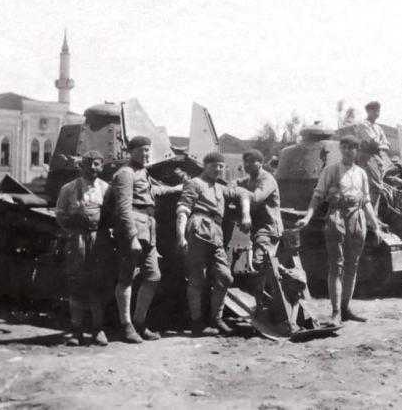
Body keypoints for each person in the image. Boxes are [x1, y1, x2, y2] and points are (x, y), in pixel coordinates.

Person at [295, 135, 381, 326]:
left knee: (353, 266)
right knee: (336, 266)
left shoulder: (361, 173)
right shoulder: (331, 170)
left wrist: (375, 226)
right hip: (337, 217)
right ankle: (335, 312)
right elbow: (317, 196)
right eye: (345, 147)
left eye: (352, 147)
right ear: (340, 149)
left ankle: (346, 308)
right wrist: (308, 217)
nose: (348, 151)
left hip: (357, 218)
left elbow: (366, 201)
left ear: (357, 151)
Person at [106, 135, 182, 343]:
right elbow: (123, 208)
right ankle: (126, 326)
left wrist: (175, 189)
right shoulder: (125, 173)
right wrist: (131, 237)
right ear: (131, 151)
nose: (146, 154)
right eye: (141, 150)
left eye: (148, 150)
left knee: (153, 276)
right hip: (133, 229)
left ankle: (139, 322)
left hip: (148, 228)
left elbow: (151, 191)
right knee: (126, 277)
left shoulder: (142, 172)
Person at [175, 152, 251, 336]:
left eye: (221, 166)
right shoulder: (195, 183)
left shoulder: (220, 188)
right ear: (205, 165)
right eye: (214, 165)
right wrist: (181, 236)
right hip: (199, 227)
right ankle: (197, 323)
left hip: (216, 231)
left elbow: (243, 193)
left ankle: (216, 319)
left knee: (225, 277)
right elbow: (183, 209)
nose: (218, 169)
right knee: (196, 278)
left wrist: (246, 214)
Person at [55, 150, 110, 346]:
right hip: (77, 239)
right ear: (81, 166)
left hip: (98, 240)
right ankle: (76, 331)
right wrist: (72, 230)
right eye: (88, 163)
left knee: (97, 285)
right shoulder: (68, 189)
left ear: (102, 167)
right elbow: (59, 213)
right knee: (76, 285)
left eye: (97, 164)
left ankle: (98, 330)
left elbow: (111, 214)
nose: (92, 168)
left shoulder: (106, 189)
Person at [236, 149, 284, 314]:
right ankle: (261, 304)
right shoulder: (250, 179)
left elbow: (256, 198)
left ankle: (275, 301)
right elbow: (234, 184)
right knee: (258, 267)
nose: (247, 165)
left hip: (269, 229)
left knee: (261, 263)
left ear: (261, 163)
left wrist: (241, 193)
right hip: (259, 230)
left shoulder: (266, 179)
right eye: (245, 162)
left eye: (252, 161)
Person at [355, 101, 389, 213]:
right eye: (374, 110)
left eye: (378, 110)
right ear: (368, 111)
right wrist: (379, 145)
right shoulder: (363, 124)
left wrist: (379, 145)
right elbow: (374, 142)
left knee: (377, 188)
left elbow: (387, 145)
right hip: (366, 157)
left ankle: (373, 215)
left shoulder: (378, 128)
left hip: (378, 157)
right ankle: (369, 216)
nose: (377, 113)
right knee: (375, 187)